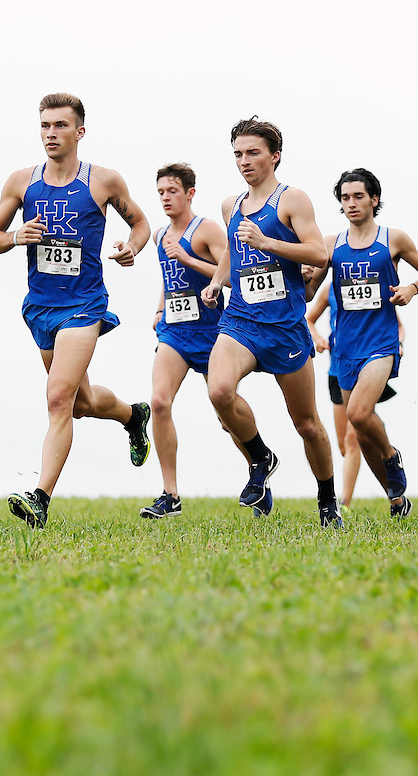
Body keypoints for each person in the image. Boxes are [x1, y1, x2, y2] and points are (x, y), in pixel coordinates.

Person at [0, 93, 152, 529]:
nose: (50, 133)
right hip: (40, 308)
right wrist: (17, 237)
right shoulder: (22, 182)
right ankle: (133, 416)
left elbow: (140, 223)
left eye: (60, 125)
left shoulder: (104, 181)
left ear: (79, 131)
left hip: (84, 305)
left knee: (58, 398)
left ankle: (39, 498)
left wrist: (131, 248)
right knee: (80, 403)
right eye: (44, 126)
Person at [200, 117, 341, 526]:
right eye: (238, 154)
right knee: (219, 391)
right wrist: (215, 281)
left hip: (285, 327)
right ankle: (261, 457)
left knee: (308, 424)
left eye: (253, 153)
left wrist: (269, 243)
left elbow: (319, 254)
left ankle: (328, 500)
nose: (244, 161)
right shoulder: (231, 205)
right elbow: (232, 250)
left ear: (274, 155)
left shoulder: (292, 200)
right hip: (241, 319)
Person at [309, 168, 418, 517]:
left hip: (381, 343)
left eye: (358, 196)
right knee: (362, 434)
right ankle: (397, 501)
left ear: (374, 199)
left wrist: (410, 288)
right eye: (345, 197)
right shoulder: (331, 243)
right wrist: (301, 273)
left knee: (359, 414)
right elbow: (309, 292)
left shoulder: (392, 239)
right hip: (345, 348)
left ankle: (393, 458)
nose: (350, 203)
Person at [139, 163, 249, 519]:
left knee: (225, 415)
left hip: (213, 331)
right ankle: (170, 494)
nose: (166, 198)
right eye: (160, 192)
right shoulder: (158, 235)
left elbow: (231, 274)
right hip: (174, 331)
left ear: (190, 193)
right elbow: (169, 277)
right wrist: (159, 309)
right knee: (158, 401)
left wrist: (188, 258)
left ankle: (258, 470)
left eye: (172, 191)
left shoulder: (207, 230)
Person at [306, 277, 403, 510]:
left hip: (368, 364)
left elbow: (397, 324)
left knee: (354, 436)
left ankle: (345, 502)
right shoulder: (330, 289)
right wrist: (318, 339)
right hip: (338, 369)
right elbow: (309, 320)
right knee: (344, 444)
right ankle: (395, 495)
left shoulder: (375, 283)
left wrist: (397, 343)